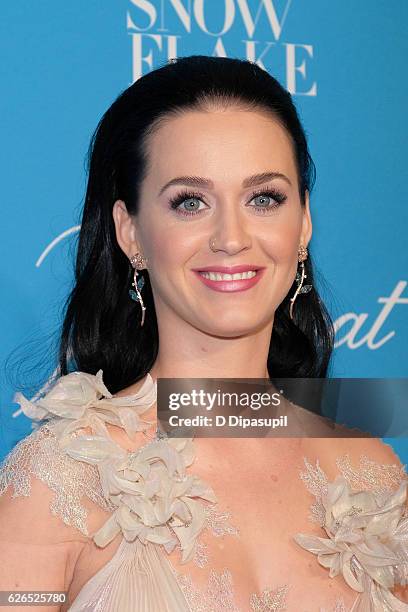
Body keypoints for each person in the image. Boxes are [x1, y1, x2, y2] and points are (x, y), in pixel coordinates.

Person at [0, 55, 407, 611]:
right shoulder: (60, 477)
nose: (231, 237)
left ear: (304, 221)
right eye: (190, 202)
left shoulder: (374, 477)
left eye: (264, 198)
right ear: (131, 233)